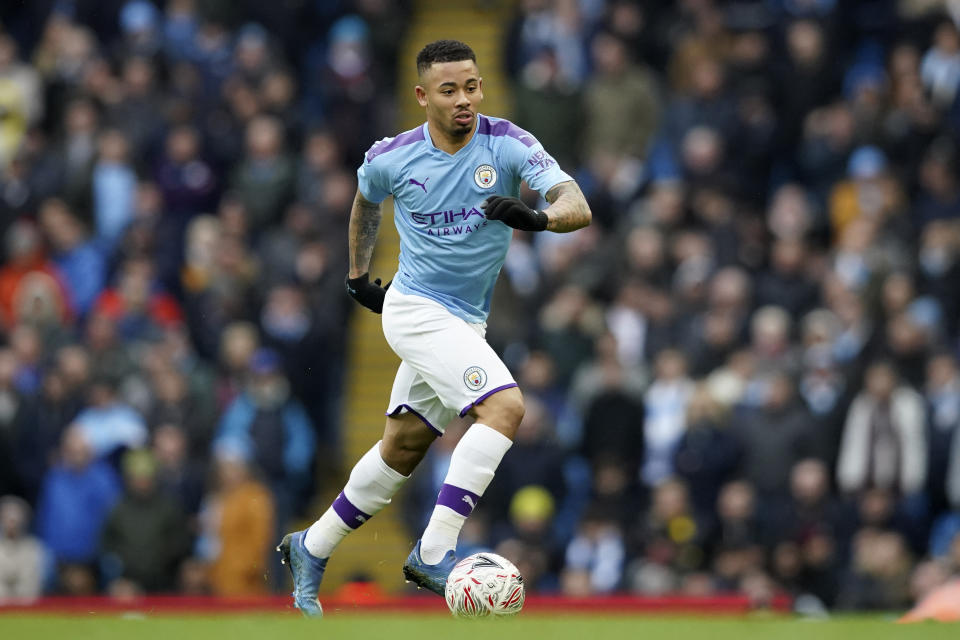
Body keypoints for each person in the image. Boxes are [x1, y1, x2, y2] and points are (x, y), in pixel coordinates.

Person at [277, 39, 591, 617]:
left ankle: (310, 546)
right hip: (414, 308)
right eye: (449, 90)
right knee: (506, 408)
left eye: (471, 86)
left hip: (468, 320)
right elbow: (365, 202)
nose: (464, 99)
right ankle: (435, 549)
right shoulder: (392, 157)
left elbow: (578, 203)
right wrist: (356, 276)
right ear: (423, 96)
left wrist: (538, 218)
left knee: (402, 448)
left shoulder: (511, 144)